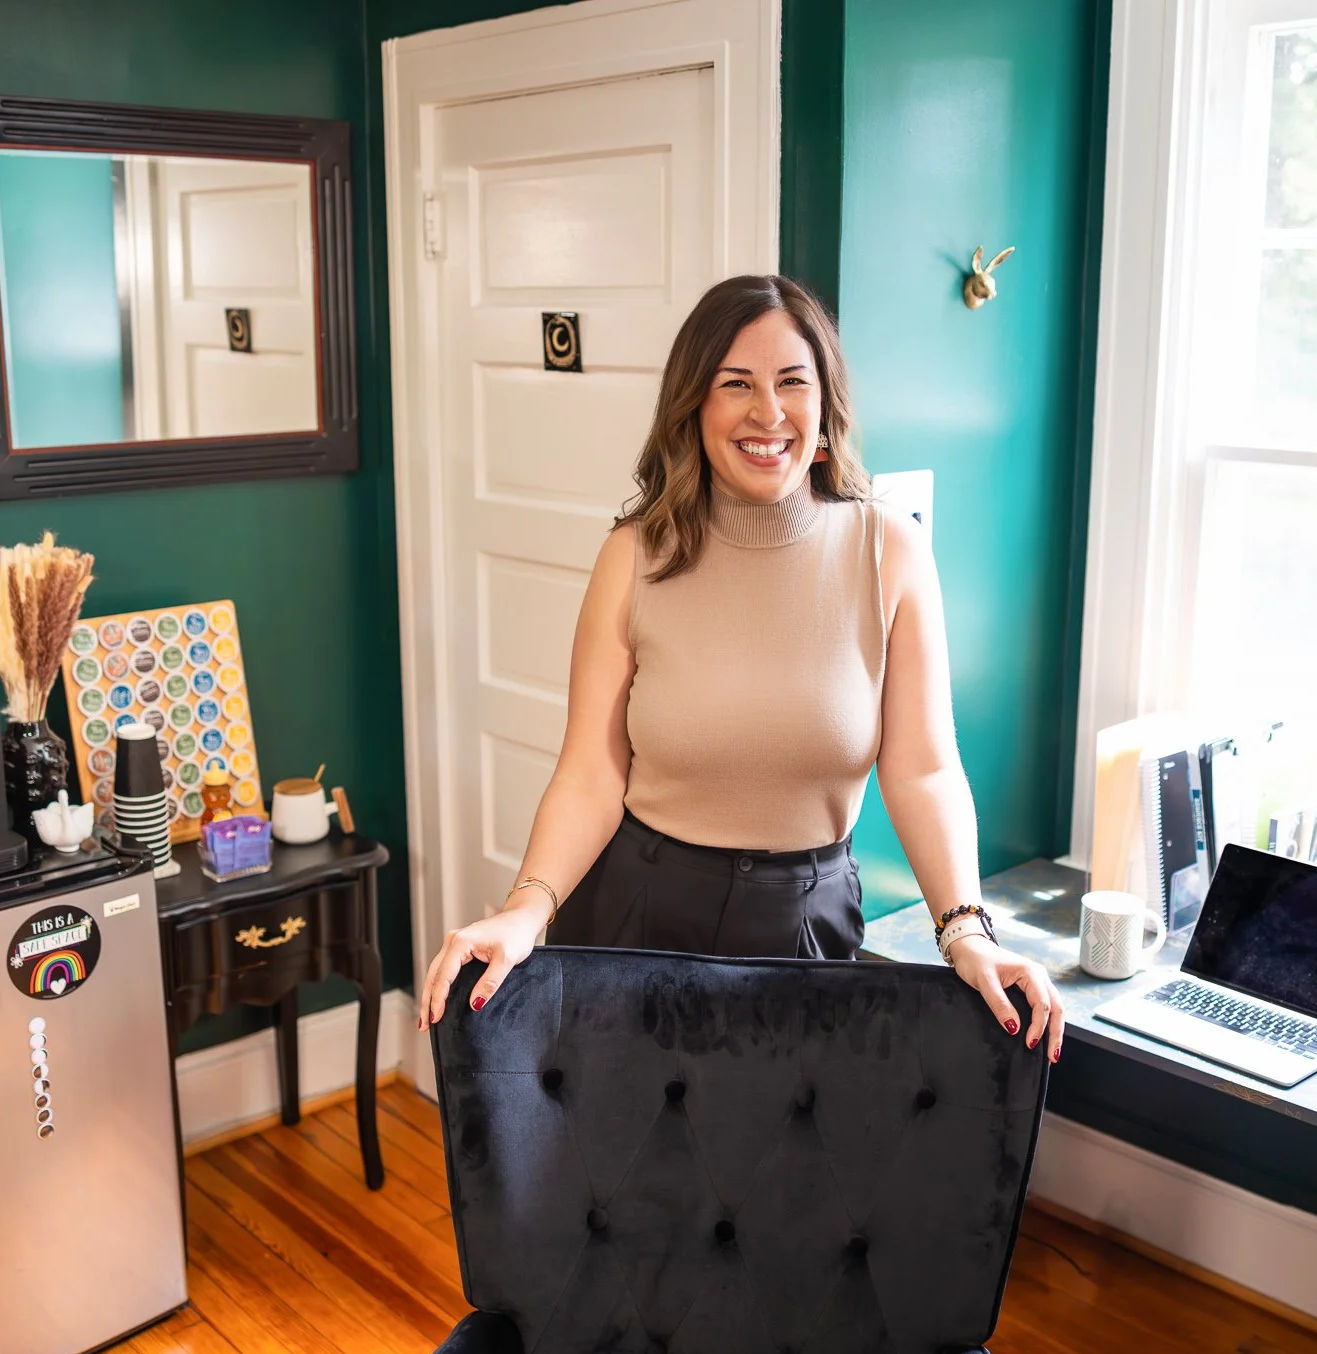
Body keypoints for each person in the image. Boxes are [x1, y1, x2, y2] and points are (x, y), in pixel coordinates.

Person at [416, 274, 1066, 1062]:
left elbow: (924, 769)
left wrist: (966, 930)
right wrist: (525, 910)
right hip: (637, 913)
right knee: (627, 1176)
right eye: (736, 385)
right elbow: (591, 770)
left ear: (825, 404)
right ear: (694, 406)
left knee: (789, 1180)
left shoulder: (889, 551)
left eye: (794, 382)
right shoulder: (633, 556)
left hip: (805, 925)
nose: (769, 413)